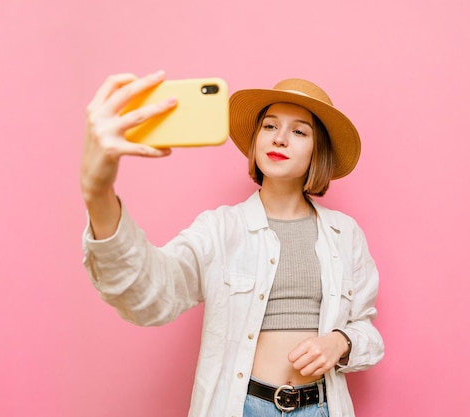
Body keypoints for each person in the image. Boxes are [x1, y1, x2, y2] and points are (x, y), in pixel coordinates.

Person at [81, 70, 384, 417]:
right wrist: (98, 193)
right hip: (243, 407)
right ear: (256, 140)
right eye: (269, 126)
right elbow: (151, 293)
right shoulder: (219, 229)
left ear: (319, 151)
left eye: (299, 131)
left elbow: (366, 330)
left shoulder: (345, 234)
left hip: (321, 408)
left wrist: (341, 342)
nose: (280, 138)